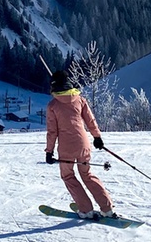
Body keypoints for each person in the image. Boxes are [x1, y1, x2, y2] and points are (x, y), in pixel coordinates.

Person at [45, 69, 117, 220]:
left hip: (66, 148)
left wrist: (49, 151)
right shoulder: (80, 100)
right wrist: (97, 137)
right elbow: (90, 121)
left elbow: (52, 132)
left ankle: (86, 209)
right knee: (87, 174)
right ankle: (107, 208)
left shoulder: (53, 106)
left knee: (68, 175)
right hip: (83, 144)